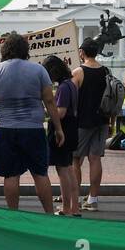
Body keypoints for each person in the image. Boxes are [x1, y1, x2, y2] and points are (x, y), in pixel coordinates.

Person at [0, 32, 63, 213]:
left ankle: (14, 216)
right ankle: (49, 214)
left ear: (5, 49)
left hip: (6, 129)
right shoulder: (39, 70)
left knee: (11, 175)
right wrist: (58, 128)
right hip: (33, 129)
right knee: (40, 174)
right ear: (26, 50)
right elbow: (50, 102)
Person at [71, 39, 109, 211]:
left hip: (82, 121)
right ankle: (93, 198)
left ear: (82, 52)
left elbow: (70, 98)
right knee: (95, 159)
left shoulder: (78, 72)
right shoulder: (105, 71)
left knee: (75, 159)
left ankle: (74, 197)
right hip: (101, 120)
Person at [44, 55, 80, 216]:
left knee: (62, 170)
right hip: (72, 128)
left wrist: (47, 111)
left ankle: (66, 207)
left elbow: (61, 112)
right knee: (69, 168)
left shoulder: (63, 88)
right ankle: (75, 207)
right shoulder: (71, 84)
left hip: (63, 130)